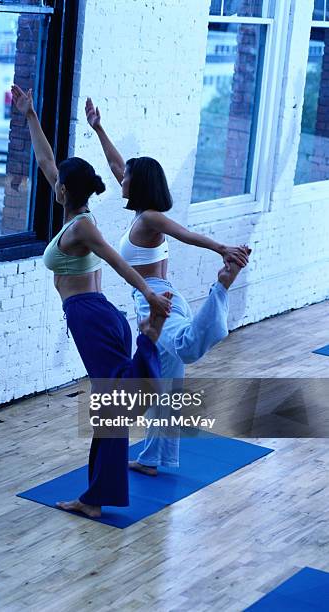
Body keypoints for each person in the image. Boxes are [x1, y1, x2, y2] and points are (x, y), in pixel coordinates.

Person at [11, 85, 172, 517]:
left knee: (115, 407)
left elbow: (116, 260)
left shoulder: (83, 228)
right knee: (110, 408)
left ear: (64, 190)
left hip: (91, 317)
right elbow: (46, 161)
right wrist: (30, 116)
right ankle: (94, 498)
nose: (51, 179)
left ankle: (150, 345)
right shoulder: (75, 213)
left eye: (57, 180)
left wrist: (149, 295)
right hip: (99, 317)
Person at [85, 97, 251, 475]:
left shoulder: (151, 218)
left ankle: (221, 289)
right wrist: (98, 128)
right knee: (166, 388)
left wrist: (221, 248)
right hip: (160, 298)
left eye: (126, 177)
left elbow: (187, 233)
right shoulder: (143, 213)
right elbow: (116, 164)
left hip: (156, 302)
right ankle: (156, 458)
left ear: (137, 184)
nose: (120, 178)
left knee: (185, 349)